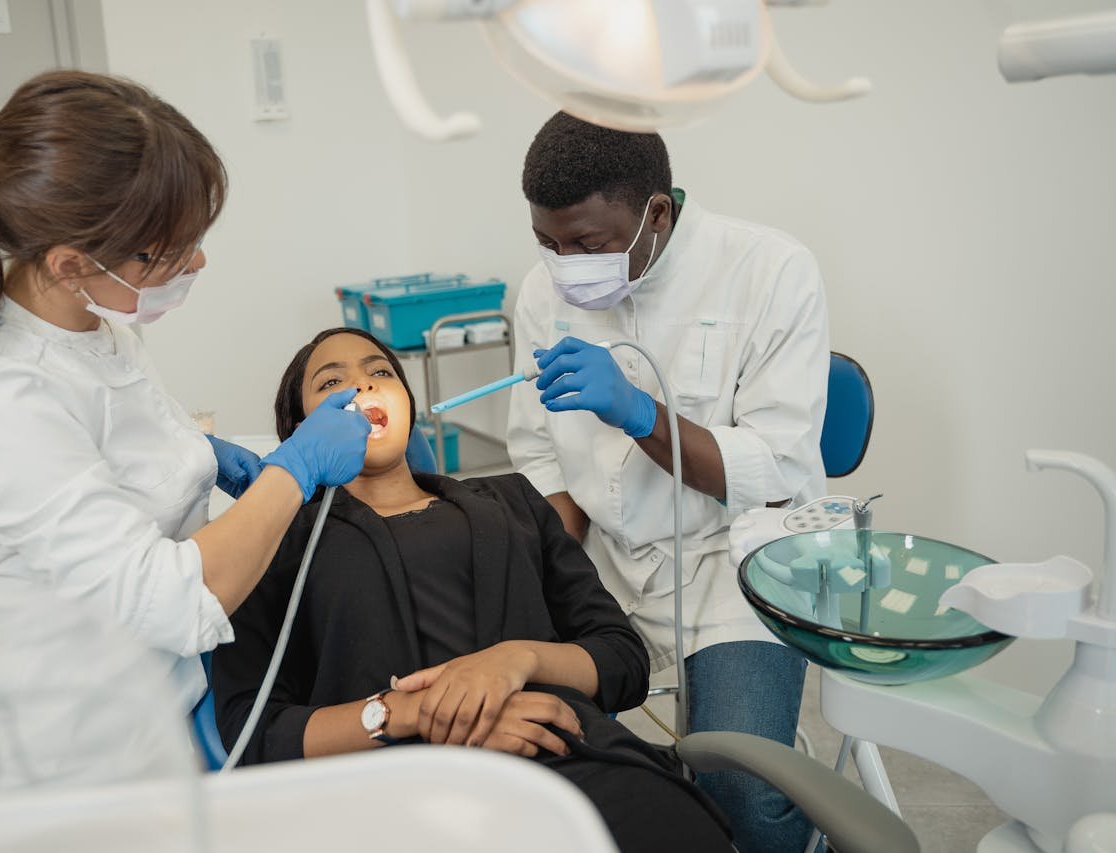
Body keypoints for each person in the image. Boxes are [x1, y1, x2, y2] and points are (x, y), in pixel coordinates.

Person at [0, 71, 369, 791]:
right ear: (72, 264)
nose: (195, 261)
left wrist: (204, 456)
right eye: (165, 251)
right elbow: (171, 598)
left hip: (160, 709)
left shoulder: (94, 327)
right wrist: (290, 472)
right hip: (65, 765)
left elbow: (110, 454)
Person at [212, 328, 734, 853]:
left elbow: (623, 661)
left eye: (380, 373)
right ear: (303, 430)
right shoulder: (273, 542)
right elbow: (254, 733)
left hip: (566, 763)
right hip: (397, 796)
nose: (363, 389)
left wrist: (517, 661)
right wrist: (416, 715)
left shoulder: (514, 503)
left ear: (409, 405)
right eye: (332, 382)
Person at [507, 112, 830, 853]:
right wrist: (540, 583)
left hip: (739, 566)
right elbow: (541, 459)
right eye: (547, 244)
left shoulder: (771, 270)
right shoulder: (541, 291)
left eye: (587, 243)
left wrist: (637, 411)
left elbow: (777, 471)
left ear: (657, 212)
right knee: (542, 760)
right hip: (607, 565)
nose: (564, 264)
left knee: (742, 791)